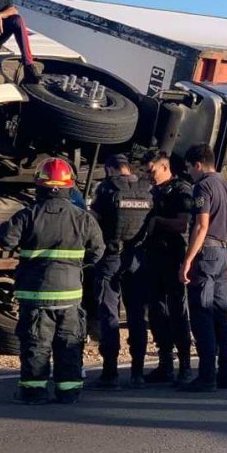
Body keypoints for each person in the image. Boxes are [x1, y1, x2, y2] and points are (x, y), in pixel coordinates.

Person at [0, 158, 104, 405]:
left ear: (40, 185)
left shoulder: (28, 215)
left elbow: (5, 240)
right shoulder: (83, 218)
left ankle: (34, 393)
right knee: (69, 344)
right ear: (69, 186)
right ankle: (69, 392)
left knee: (36, 345)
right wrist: (75, 267)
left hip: (35, 294)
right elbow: (97, 252)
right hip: (69, 295)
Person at [86, 154, 153, 391]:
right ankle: (138, 372)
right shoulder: (147, 188)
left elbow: (93, 220)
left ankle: (110, 373)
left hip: (111, 256)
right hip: (137, 258)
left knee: (109, 313)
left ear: (110, 169)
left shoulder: (106, 188)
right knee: (137, 315)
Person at [179, 145, 227, 392]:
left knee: (202, 315)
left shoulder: (203, 187)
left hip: (207, 254)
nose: (189, 173)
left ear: (197, 164)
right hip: (224, 253)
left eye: (188, 168)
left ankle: (206, 376)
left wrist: (188, 260)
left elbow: (201, 226)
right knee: (221, 315)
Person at [139, 152, 194, 386]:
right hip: (153, 256)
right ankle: (165, 364)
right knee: (157, 312)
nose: (149, 176)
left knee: (177, 312)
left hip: (173, 255)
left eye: (152, 171)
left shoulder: (181, 190)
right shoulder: (150, 191)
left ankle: (184, 366)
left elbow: (183, 223)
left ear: (164, 167)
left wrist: (158, 222)